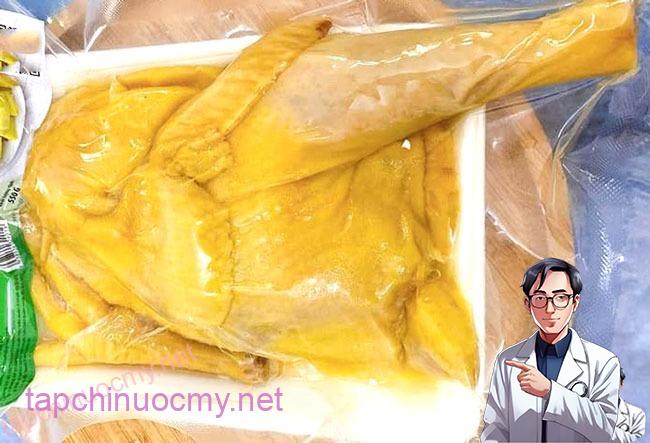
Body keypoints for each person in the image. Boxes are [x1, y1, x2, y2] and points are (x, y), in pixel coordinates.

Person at [481, 258, 621, 442]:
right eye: (540, 298)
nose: (550, 308)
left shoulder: (603, 363)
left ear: (575, 302)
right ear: (528, 304)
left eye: (560, 298)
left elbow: (605, 431)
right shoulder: (508, 360)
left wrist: (550, 391)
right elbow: (495, 429)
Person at [613, 368, 646, 442]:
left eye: (613, 381)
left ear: (621, 384)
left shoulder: (636, 415)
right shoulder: (589, 411)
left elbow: (637, 440)